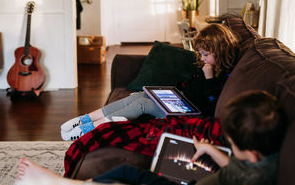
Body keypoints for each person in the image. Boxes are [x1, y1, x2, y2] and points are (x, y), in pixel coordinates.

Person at [18, 90, 287, 185]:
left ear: (251, 155)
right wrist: (210, 149)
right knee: (125, 171)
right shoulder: (262, 162)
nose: (228, 143)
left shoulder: (254, 184)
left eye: (232, 142)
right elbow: (233, 165)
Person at [60, 23, 240, 141]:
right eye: (200, 53)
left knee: (141, 105)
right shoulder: (207, 66)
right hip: (180, 101)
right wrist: (169, 92)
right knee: (137, 96)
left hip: (190, 114)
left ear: (220, 50)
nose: (202, 58)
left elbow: (210, 105)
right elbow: (191, 87)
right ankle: (83, 120)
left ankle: (88, 130)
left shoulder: (224, 76)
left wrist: (208, 78)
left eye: (205, 55)